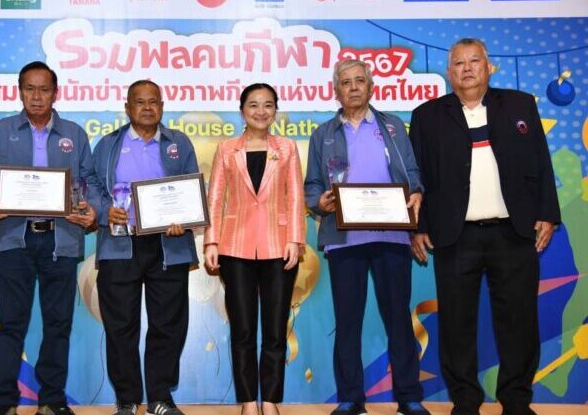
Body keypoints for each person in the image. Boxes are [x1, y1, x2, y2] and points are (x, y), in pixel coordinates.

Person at [409, 38, 560, 415]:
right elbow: (417, 178)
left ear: (488, 66)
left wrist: (548, 213)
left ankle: (516, 399)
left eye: (474, 61)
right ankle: (465, 399)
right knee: (456, 323)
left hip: (513, 232)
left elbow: (541, 161)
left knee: (519, 321)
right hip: (454, 235)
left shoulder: (520, 105)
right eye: (459, 63)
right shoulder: (427, 115)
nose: (467, 68)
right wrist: (418, 226)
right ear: (449, 72)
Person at [304, 60, 430, 415]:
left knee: (398, 319)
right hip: (345, 239)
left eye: (360, 80)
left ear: (371, 86)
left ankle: (409, 397)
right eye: (346, 82)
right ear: (336, 90)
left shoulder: (392, 126)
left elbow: (413, 172)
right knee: (348, 322)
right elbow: (312, 185)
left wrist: (416, 191)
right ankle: (350, 399)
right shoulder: (323, 134)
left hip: (392, 236)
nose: (354, 87)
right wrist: (319, 202)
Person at [0, 61, 100, 415]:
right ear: (20, 92)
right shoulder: (2, 131)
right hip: (15, 239)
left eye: (44, 89)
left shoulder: (74, 134)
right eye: (29, 88)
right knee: (11, 324)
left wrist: (90, 206)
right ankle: (4, 401)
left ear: (56, 93)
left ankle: (52, 400)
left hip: (61, 240)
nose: (36, 96)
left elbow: (89, 180)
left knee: (58, 324)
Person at [90, 80, 199, 415]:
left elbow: (192, 188)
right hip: (120, 243)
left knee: (169, 323)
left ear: (162, 107)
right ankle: (127, 399)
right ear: (128, 108)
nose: (147, 107)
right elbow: (90, 185)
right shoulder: (108, 144)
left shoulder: (179, 143)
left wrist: (184, 218)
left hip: (169, 244)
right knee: (120, 325)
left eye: (154, 101)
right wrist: (104, 210)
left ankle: (159, 398)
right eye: (140, 102)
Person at [203, 83, 305, 415]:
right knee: (243, 330)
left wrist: (295, 239)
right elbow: (215, 199)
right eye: (253, 105)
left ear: (275, 110)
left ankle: (271, 400)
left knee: (275, 329)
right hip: (235, 247)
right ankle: (248, 401)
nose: (261, 111)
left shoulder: (287, 148)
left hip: (279, 247)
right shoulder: (226, 148)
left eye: (268, 105)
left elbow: (295, 196)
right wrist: (211, 241)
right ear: (242, 110)